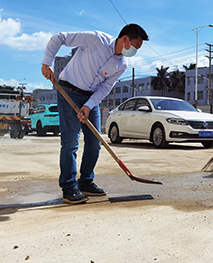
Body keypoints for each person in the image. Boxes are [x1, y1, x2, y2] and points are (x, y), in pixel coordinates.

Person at [41, 24, 149, 204]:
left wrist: (89, 105)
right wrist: (46, 62)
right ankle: (69, 187)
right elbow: (59, 37)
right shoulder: (96, 39)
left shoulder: (121, 64)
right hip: (68, 91)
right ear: (125, 39)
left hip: (90, 98)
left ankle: (86, 182)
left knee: (95, 143)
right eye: (135, 47)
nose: (135, 51)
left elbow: (105, 87)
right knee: (70, 143)